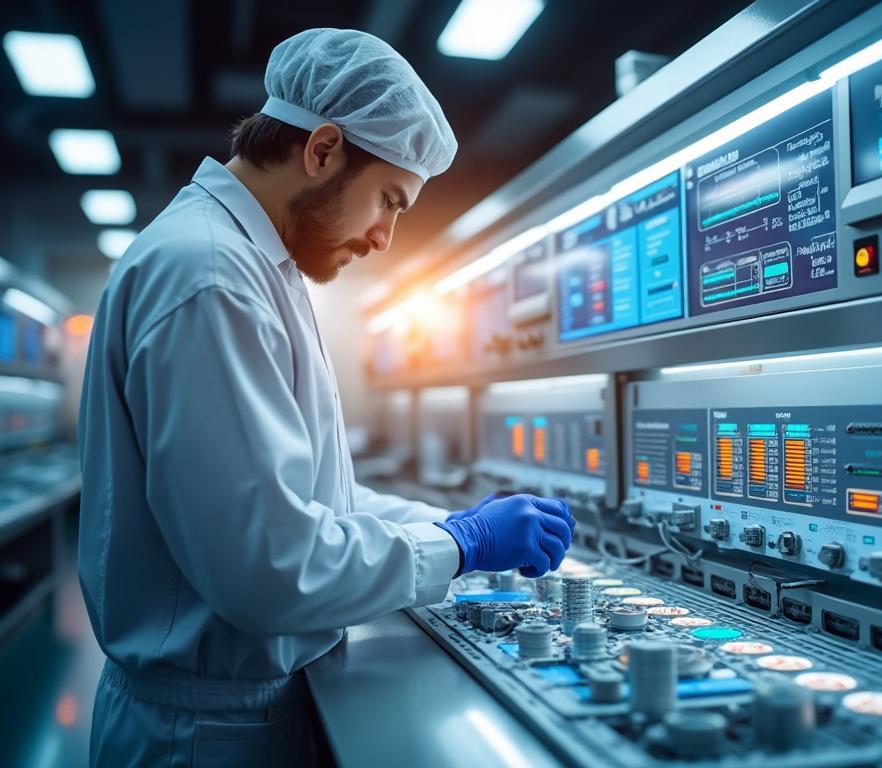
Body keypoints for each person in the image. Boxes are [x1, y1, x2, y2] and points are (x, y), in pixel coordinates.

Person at [77, 28, 574, 767]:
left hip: (233, 710)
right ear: (322, 150)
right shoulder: (211, 275)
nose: (385, 237)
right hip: (203, 737)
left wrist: (454, 523)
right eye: (389, 201)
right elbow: (271, 567)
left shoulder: (253, 267)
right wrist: (463, 545)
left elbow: (314, 505)